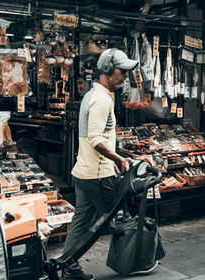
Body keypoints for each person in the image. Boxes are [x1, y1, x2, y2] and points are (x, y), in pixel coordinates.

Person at [61, 48, 139, 280]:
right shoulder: (101, 99)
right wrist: (119, 159)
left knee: (81, 223)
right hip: (97, 174)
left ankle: (68, 267)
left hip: (83, 173)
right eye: (122, 71)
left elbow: (96, 137)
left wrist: (119, 151)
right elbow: (95, 139)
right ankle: (135, 260)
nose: (125, 76)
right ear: (107, 70)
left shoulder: (92, 96)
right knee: (120, 219)